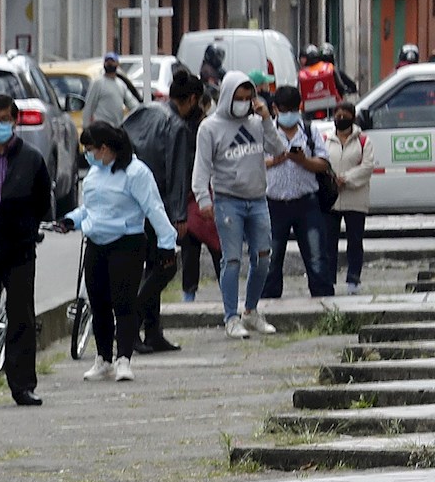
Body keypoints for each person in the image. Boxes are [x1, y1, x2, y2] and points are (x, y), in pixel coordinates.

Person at [58, 123, 178, 382]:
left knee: (124, 304)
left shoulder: (136, 173)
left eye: (90, 149)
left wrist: (167, 243)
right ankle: (103, 359)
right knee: (98, 303)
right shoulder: (94, 173)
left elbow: (153, 208)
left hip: (126, 242)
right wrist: (71, 220)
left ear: (105, 148)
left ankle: (124, 358)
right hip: (96, 243)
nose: (87, 155)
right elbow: (90, 209)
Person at [192, 71, 285, 338]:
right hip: (227, 201)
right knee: (231, 260)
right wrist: (203, 198)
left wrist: (267, 119)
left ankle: (251, 310)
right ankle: (231, 317)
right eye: (239, 98)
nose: (244, 103)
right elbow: (202, 167)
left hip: (257, 199)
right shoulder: (209, 128)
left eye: (248, 97)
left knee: (263, 257)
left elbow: (278, 150)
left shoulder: (257, 124)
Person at [0, 92, 54, 404]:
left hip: (20, 249)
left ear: (15, 120)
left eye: (4, 120)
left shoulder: (31, 159)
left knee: (21, 316)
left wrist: (31, 230)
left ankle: (22, 385)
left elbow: (42, 203)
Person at [123, 68, 206, 353]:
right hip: (158, 207)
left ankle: (153, 330)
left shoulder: (144, 111)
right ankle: (130, 326)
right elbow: (177, 174)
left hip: (130, 201)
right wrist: (179, 216)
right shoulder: (178, 127)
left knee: (145, 267)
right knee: (164, 267)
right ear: (193, 99)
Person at [263, 85, 335, 301]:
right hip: (274, 203)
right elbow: (254, 162)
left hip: (306, 202)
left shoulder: (310, 131)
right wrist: (278, 159)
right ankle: (267, 299)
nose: (289, 115)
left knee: (316, 255)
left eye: (293, 109)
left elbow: (323, 163)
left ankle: (323, 297)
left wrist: (303, 161)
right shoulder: (266, 131)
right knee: (270, 257)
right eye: (284, 110)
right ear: (275, 108)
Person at [323, 102, 374, 294]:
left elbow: (367, 167)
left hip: (356, 198)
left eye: (345, 114)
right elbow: (321, 162)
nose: (341, 118)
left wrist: (346, 179)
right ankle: (329, 281)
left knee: (355, 241)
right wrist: (332, 180)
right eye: (338, 114)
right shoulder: (325, 139)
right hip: (331, 199)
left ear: (353, 117)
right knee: (329, 243)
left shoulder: (363, 141)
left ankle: (353, 280)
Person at [83, 52, 130, 128]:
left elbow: (131, 103)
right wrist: (86, 126)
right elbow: (89, 106)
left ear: (117, 64)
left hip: (116, 128)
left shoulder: (121, 84)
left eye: (112, 61)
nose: (109, 63)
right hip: (101, 127)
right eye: (107, 61)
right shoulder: (98, 83)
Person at [299, 44, 338, 117]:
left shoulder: (302, 73)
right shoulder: (328, 67)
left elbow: (299, 93)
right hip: (329, 108)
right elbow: (340, 86)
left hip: (309, 110)